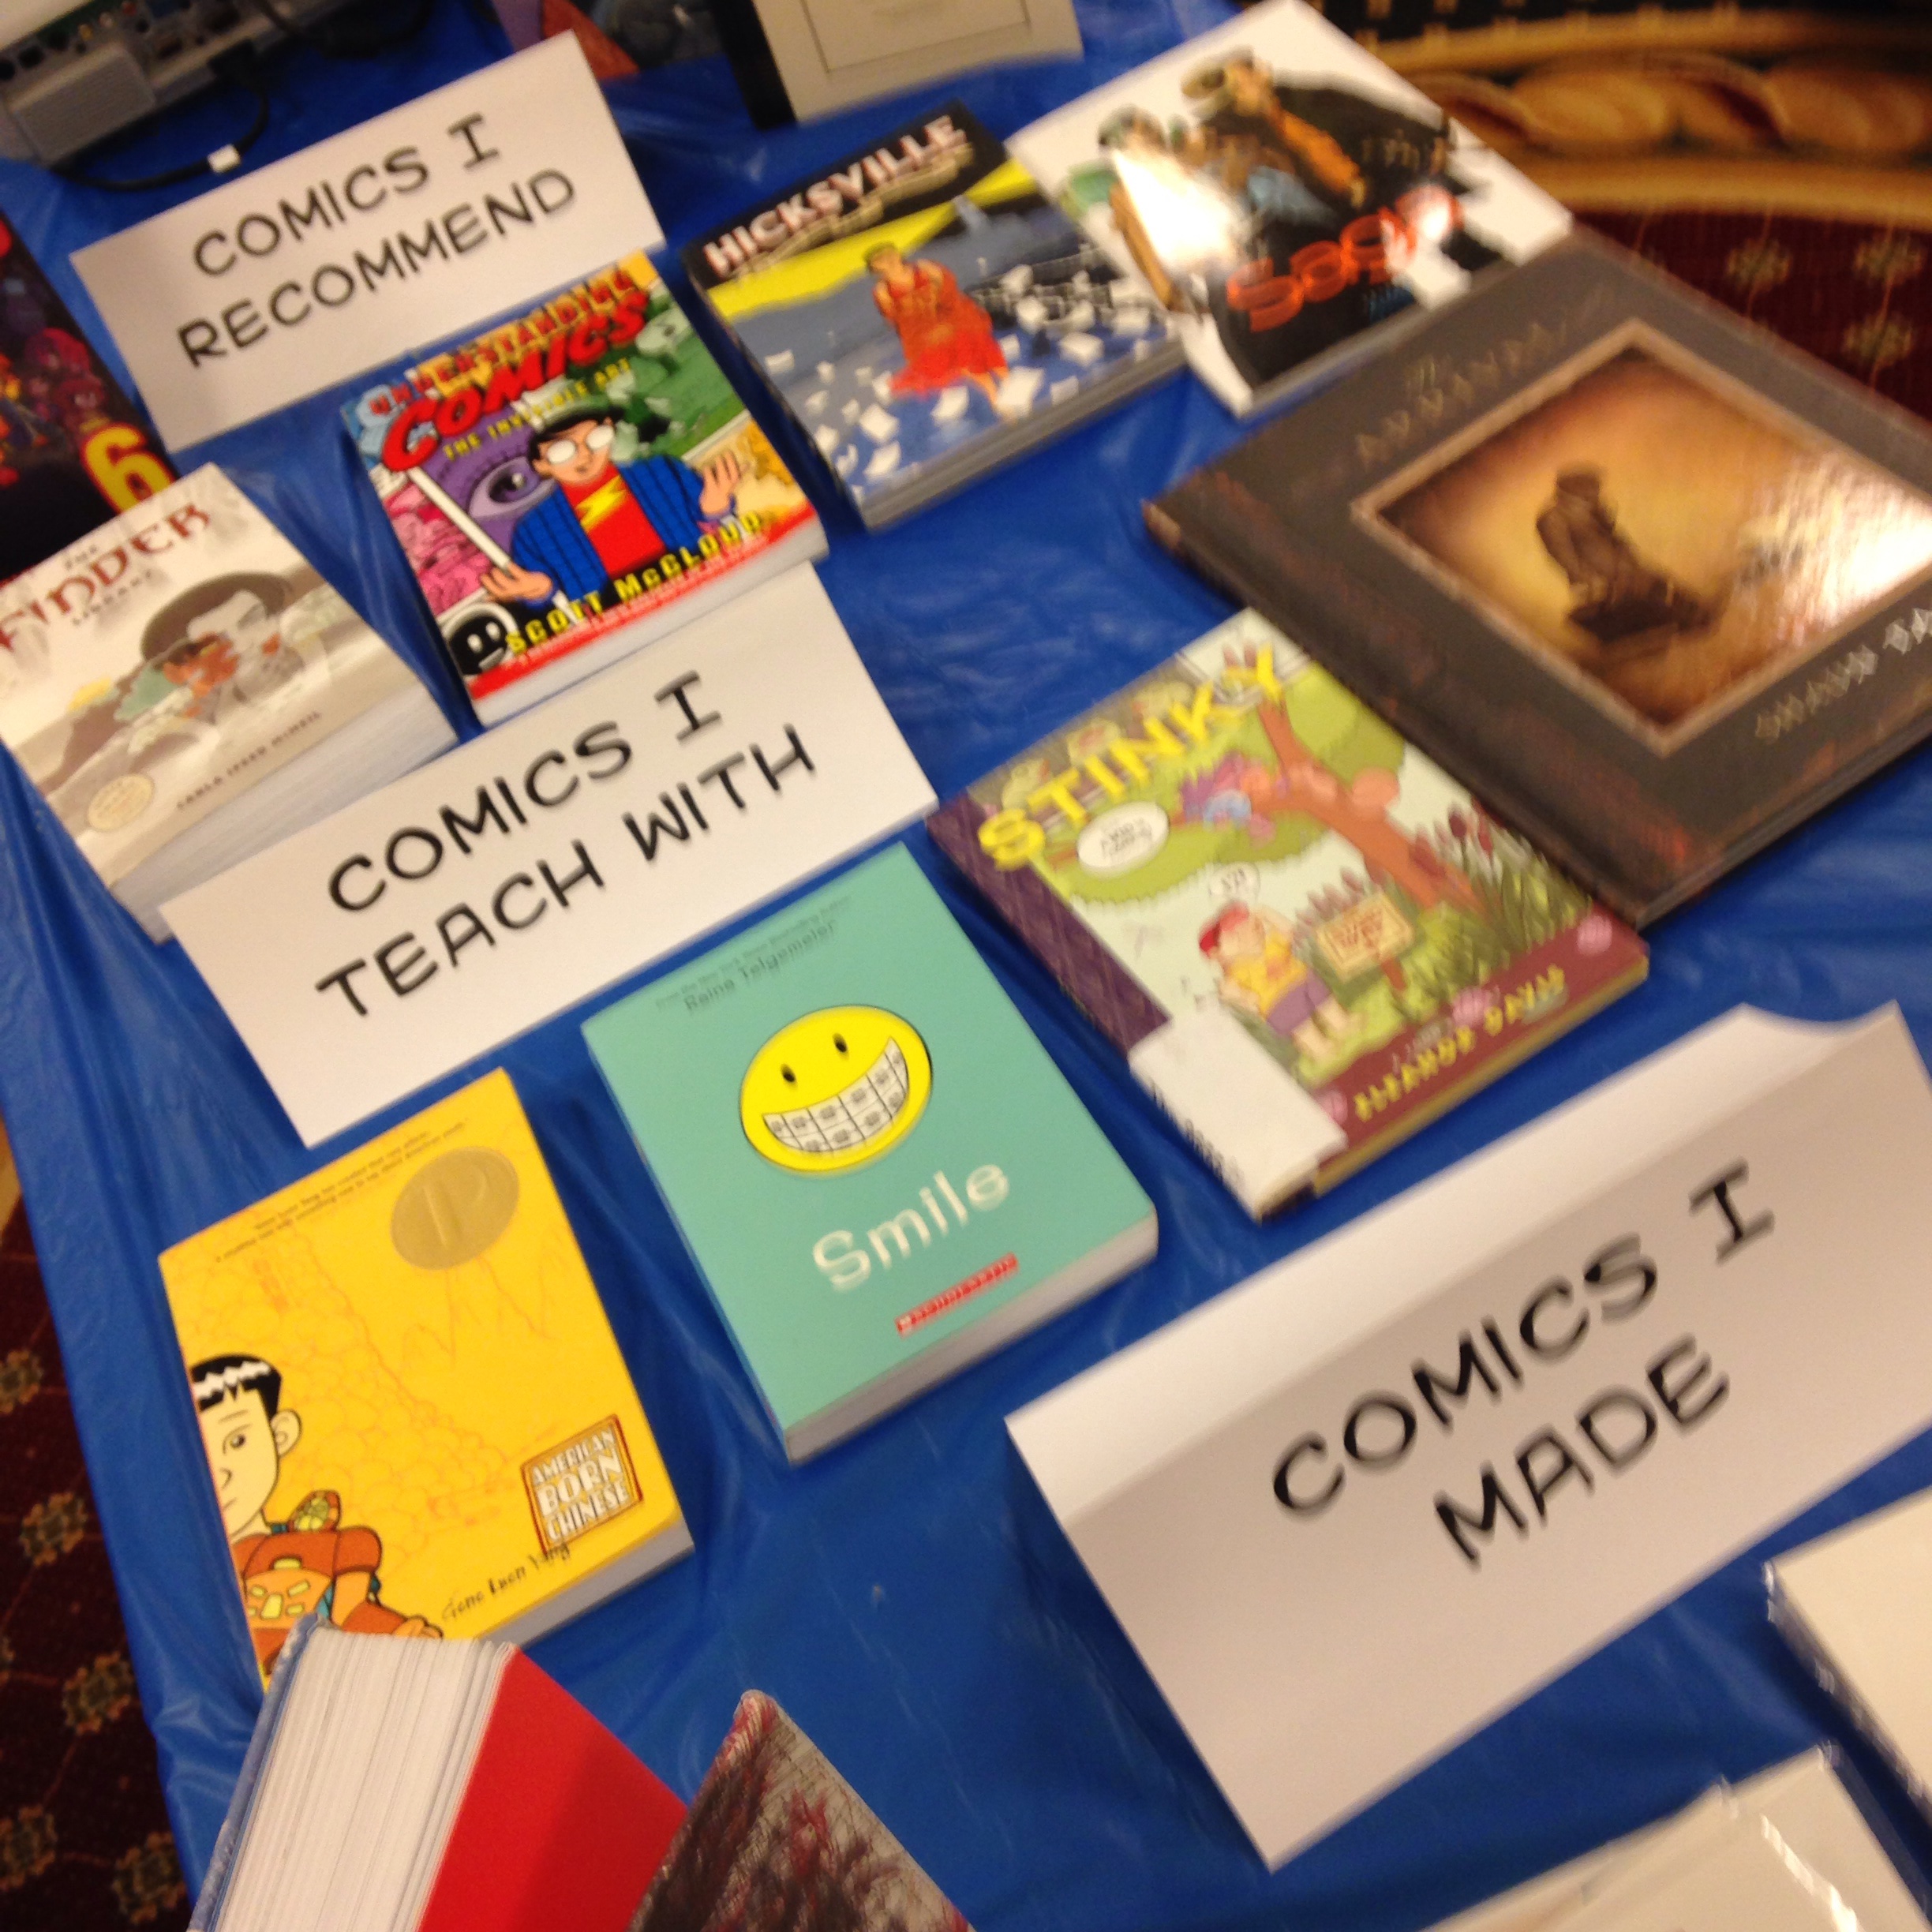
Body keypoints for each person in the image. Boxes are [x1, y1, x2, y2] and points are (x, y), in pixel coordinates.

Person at [190, 1354, 440, 1674]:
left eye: (237, 1441)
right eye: (199, 1459)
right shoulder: (195, 1591)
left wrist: (403, 1636)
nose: (220, 1474)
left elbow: (353, 1611)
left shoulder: (324, 1547)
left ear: (280, 1434)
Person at [479, 401, 743, 607]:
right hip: (615, 613)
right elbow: (545, 595)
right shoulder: (534, 530)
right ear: (541, 464)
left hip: (700, 583)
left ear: (610, 429)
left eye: (595, 438)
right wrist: (541, 592)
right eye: (562, 451)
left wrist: (715, 509)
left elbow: (714, 521)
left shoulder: (660, 470)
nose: (585, 455)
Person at [1536, 467, 1711, 644]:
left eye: (1595, 491)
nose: (1596, 494)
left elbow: (1612, 535)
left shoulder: (1592, 508)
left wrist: (1625, 549)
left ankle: (1694, 614)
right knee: (1649, 591)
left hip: (1622, 563)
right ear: (1572, 493)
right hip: (1602, 572)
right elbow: (1563, 554)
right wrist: (1588, 579)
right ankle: (1685, 620)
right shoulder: (1553, 519)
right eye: (1590, 492)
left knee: (1659, 583)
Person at [1199, 900, 1361, 1062]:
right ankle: (1320, 1048)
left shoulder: (1271, 944)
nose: (1248, 931)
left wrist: (1266, 913)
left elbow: (1289, 930)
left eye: (1248, 925)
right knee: (1302, 1026)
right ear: (1218, 955)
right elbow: (1245, 998)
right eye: (1235, 935)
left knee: (1325, 1002)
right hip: (1278, 1003)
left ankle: (1342, 1024)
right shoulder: (1236, 973)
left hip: (1304, 981)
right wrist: (1239, 995)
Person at [866, 243, 1008, 406]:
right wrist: (928, 332)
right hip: (925, 334)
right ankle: (995, 396)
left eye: (889, 255)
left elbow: (952, 298)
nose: (888, 261)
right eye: (881, 260)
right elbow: (900, 323)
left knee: (980, 351)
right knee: (966, 364)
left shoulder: (926, 268)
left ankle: (1008, 386)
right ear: (876, 270)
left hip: (953, 319)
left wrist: (948, 323)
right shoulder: (882, 291)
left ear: (898, 255)